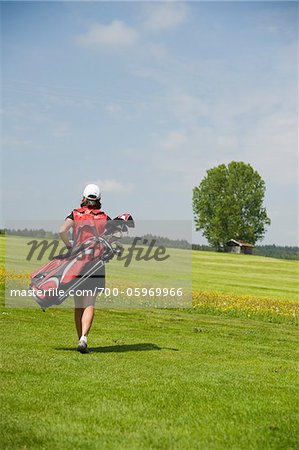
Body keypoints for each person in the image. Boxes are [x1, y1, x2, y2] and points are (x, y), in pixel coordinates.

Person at [59, 184, 110, 354]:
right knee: (89, 303)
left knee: (78, 305)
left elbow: (62, 231)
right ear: (99, 199)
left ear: (83, 198)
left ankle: (79, 338)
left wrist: (69, 246)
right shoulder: (104, 217)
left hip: (77, 263)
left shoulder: (75, 214)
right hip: (95, 264)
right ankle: (84, 338)